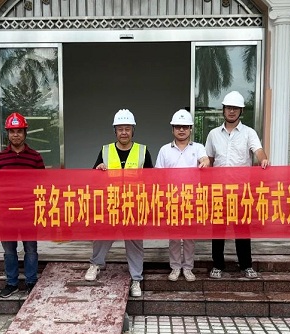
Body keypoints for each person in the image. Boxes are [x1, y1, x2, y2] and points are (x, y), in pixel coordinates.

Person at [85, 109, 153, 297]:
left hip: (134, 205)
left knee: (135, 244)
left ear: (133, 130)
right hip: (111, 204)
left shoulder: (143, 151)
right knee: (102, 237)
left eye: (127, 128)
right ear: (115, 131)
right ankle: (95, 265)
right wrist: (99, 169)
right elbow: (94, 176)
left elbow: (151, 179)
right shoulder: (105, 150)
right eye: (120, 129)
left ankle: (136, 279)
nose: (124, 132)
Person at [205, 91, 269, 279]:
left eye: (235, 108)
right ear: (223, 110)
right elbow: (209, 160)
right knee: (218, 229)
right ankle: (217, 265)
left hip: (241, 190)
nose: (231, 111)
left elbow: (258, 151)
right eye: (228, 108)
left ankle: (246, 265)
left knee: (242, 228)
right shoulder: (213, 134)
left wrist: (263, 160)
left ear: (241, 111)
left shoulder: (249, 133)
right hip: (219, 190)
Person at [0, 112, 45, 298]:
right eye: (12, 131)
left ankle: (31, 282)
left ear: (25, 133)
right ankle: (12, 283)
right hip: (6, 212)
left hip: (28, 211)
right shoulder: (0, 159)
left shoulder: (35, 157)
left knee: (31, 249)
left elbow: (43, 183)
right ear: (7, 134)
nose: (16, 135)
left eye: (19, 131)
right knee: (9, 251)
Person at [155, 109, 209, 282]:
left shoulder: (198, 148)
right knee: (174, 236)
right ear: (172, 129)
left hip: (191, 199)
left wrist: (205, 161)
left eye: (185, 127)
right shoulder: (164, 150)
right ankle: (175, 267)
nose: (181, 130)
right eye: (178, 126)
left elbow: (205, 160)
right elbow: (158, 175)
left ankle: (188, 268)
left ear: (190, 129)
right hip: (172, 199)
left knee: (189, 236)